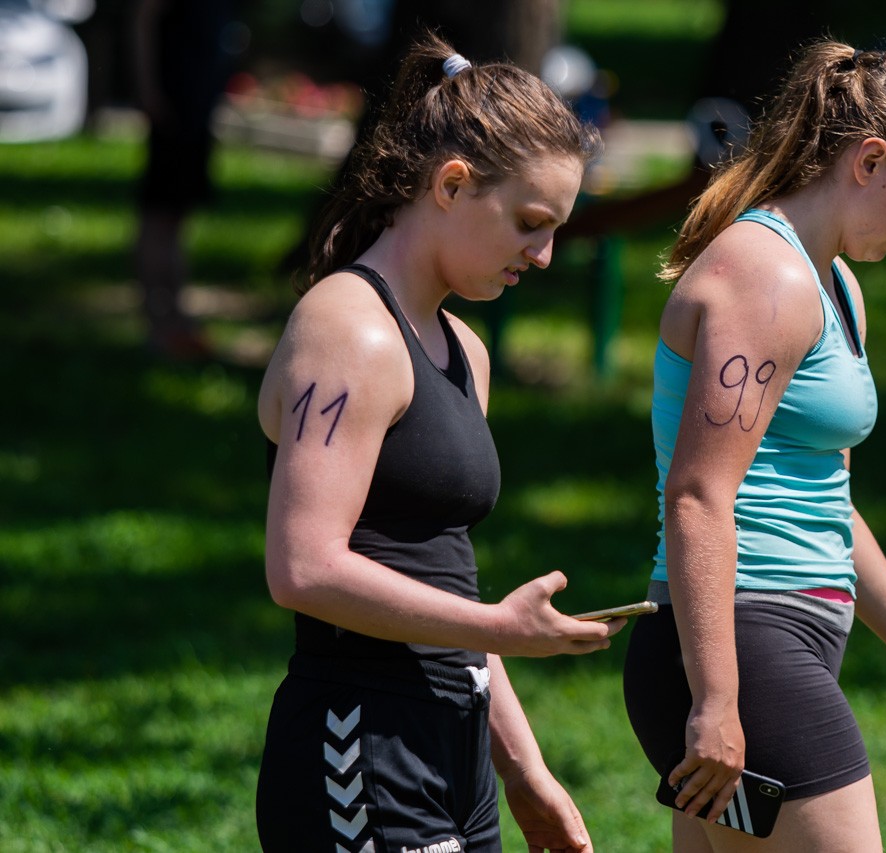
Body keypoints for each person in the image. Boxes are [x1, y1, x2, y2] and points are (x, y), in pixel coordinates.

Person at [622, 40, 886, 851]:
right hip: (743, 647)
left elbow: (832, 503)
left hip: (775, 644)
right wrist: (716, 700)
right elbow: (698, 494)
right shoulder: (767, 277)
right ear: (870, 161)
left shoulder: (834, 284)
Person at [254, 30, 620, 853]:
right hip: (360, 744)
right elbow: (303, 567)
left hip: (456, 750)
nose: (545, 255)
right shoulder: (349, 331)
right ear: (451, 184)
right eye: (530, 223)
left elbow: (445, 573)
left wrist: (525, 772)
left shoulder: (464, 350)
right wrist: (498, 626)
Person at [132, 0, 235, 360]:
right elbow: (144, 18)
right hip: (173, 106)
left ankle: (176, 319)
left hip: (195, 109)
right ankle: (160, 324)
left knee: (176, 219)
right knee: (159, 216)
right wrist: (148, 90)